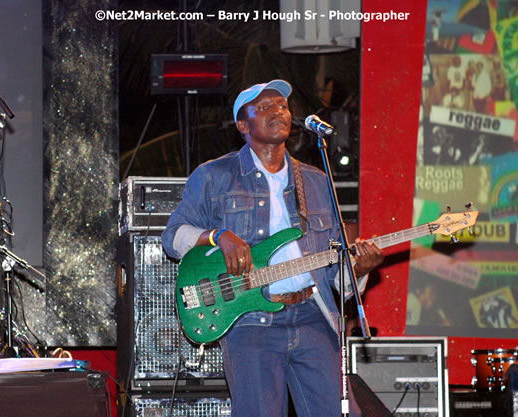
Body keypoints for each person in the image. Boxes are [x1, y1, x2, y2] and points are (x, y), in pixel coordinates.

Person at [162, 80, 384, 417]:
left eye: (281, 105)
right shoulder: (214, 175)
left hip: (313, 314)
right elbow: (173, 236)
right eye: (264, 107)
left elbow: (335, 275)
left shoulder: (316, 181)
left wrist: (359, 271)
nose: (277, 110)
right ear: (243, 125)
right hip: (251, 321)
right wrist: (217, 236)